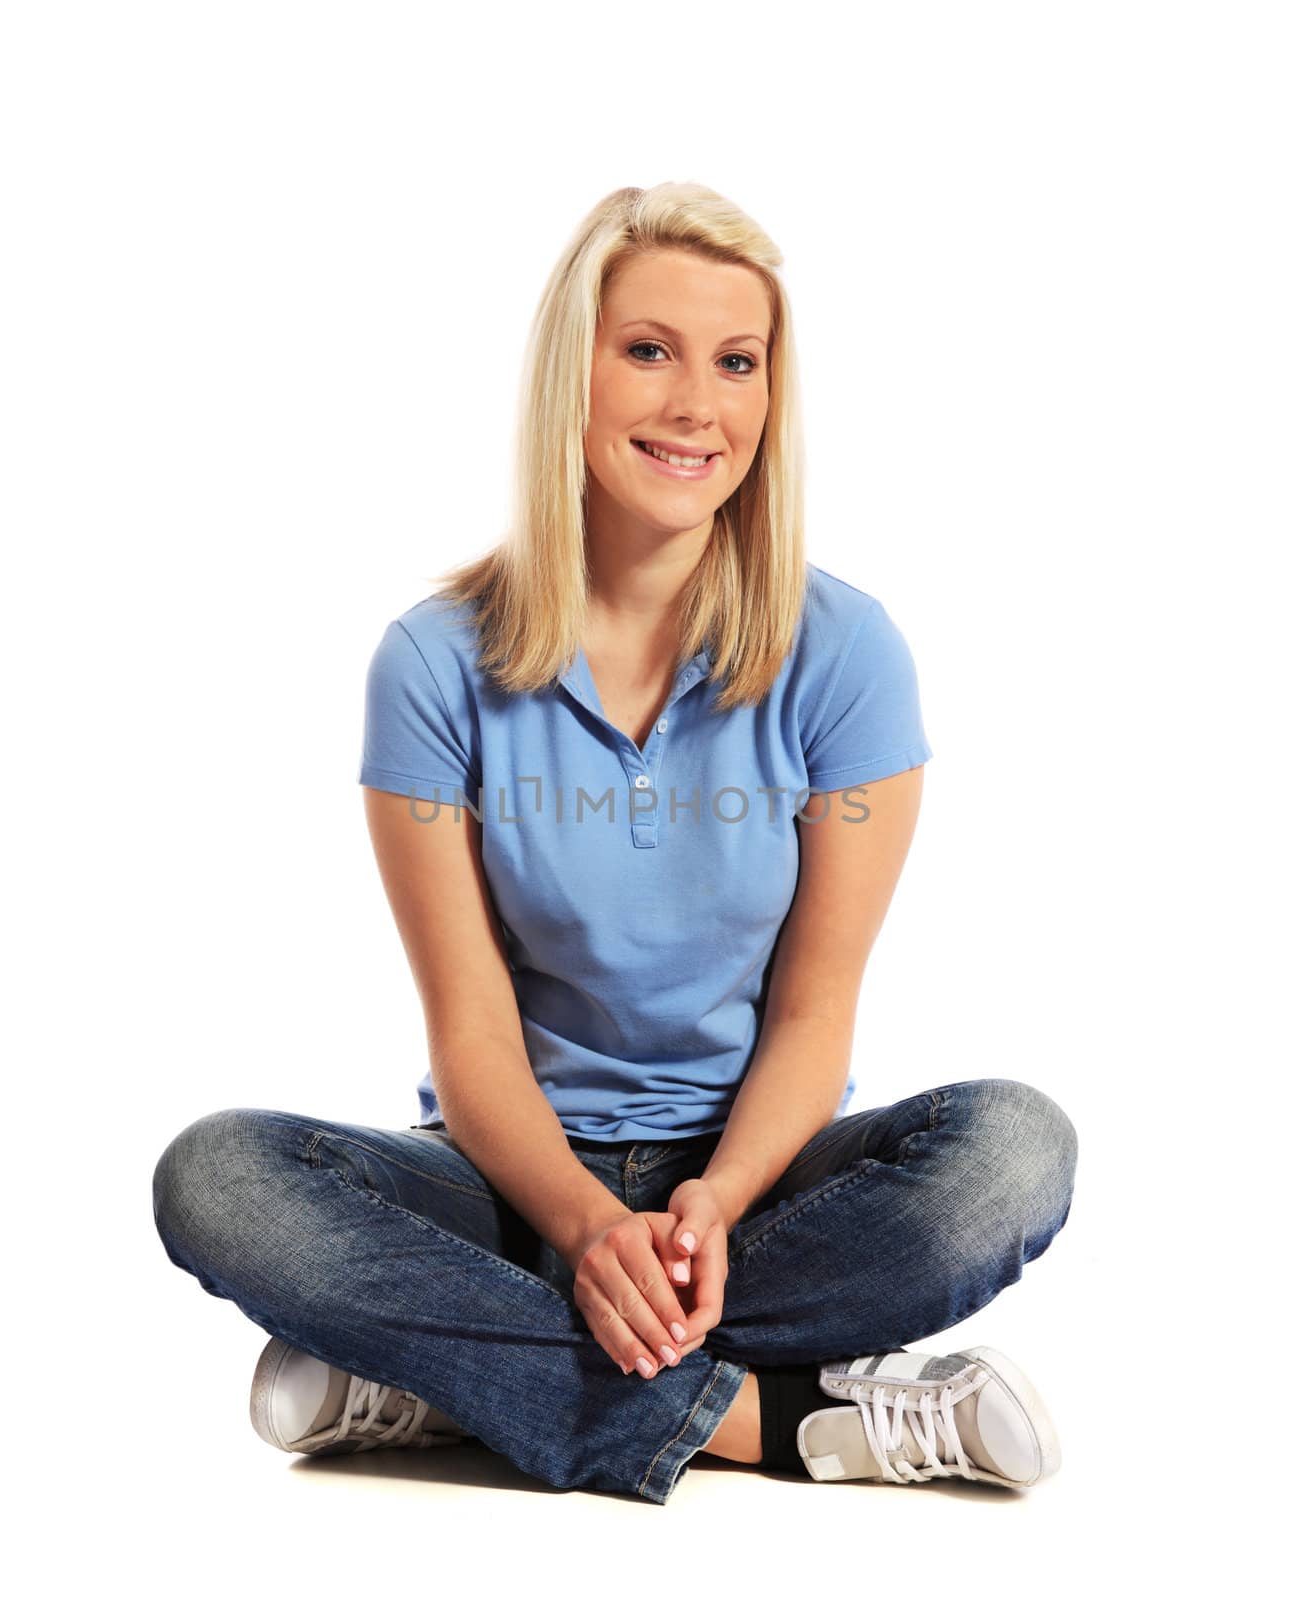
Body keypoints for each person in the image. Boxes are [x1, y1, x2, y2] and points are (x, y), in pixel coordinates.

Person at [151, 181, 1078, 1506]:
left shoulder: (848, 656)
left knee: (1014, 1152)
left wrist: (710, 1205)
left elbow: (817, 1018)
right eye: (648, 350)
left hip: (756, 1190)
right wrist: (587, 1229)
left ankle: (440, 1370)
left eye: (736, 362)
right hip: (514, 1183)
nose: (698, 403)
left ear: (770, 398)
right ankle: (786, 1421)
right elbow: (470, 1037)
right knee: (220, 1178)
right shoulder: (432, 666)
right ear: (568, 378)